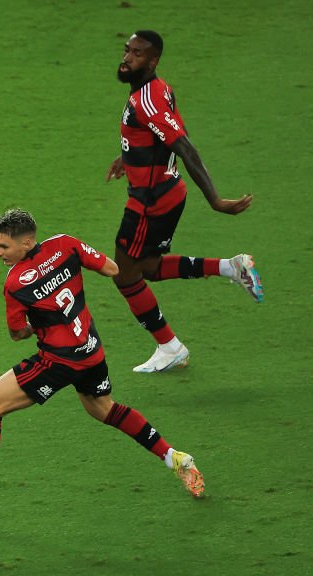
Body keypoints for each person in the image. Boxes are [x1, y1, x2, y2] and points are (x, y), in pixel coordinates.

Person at [0, 208, 203, 519]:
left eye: (3, 246)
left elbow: (18, 333)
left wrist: (38, 322)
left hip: (57, 362)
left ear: (26, 242)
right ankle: (173, 457)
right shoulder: (65, 244)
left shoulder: (16, 282)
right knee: (105, 409)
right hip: (91, 350)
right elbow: (113, 269)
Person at [107, 29, 264, 373]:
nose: (127, 58)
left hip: (150, 202)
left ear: (153, 61)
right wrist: (128, 157)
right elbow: (158, 135)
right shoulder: (156, 91)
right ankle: (231, 267)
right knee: (147, 267)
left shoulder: (146, 100)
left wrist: (216, 200)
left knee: (124, 275)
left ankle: (169, 346)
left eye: (136, 54)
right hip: (166, 192)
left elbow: (185, 146)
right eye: (126, 50)